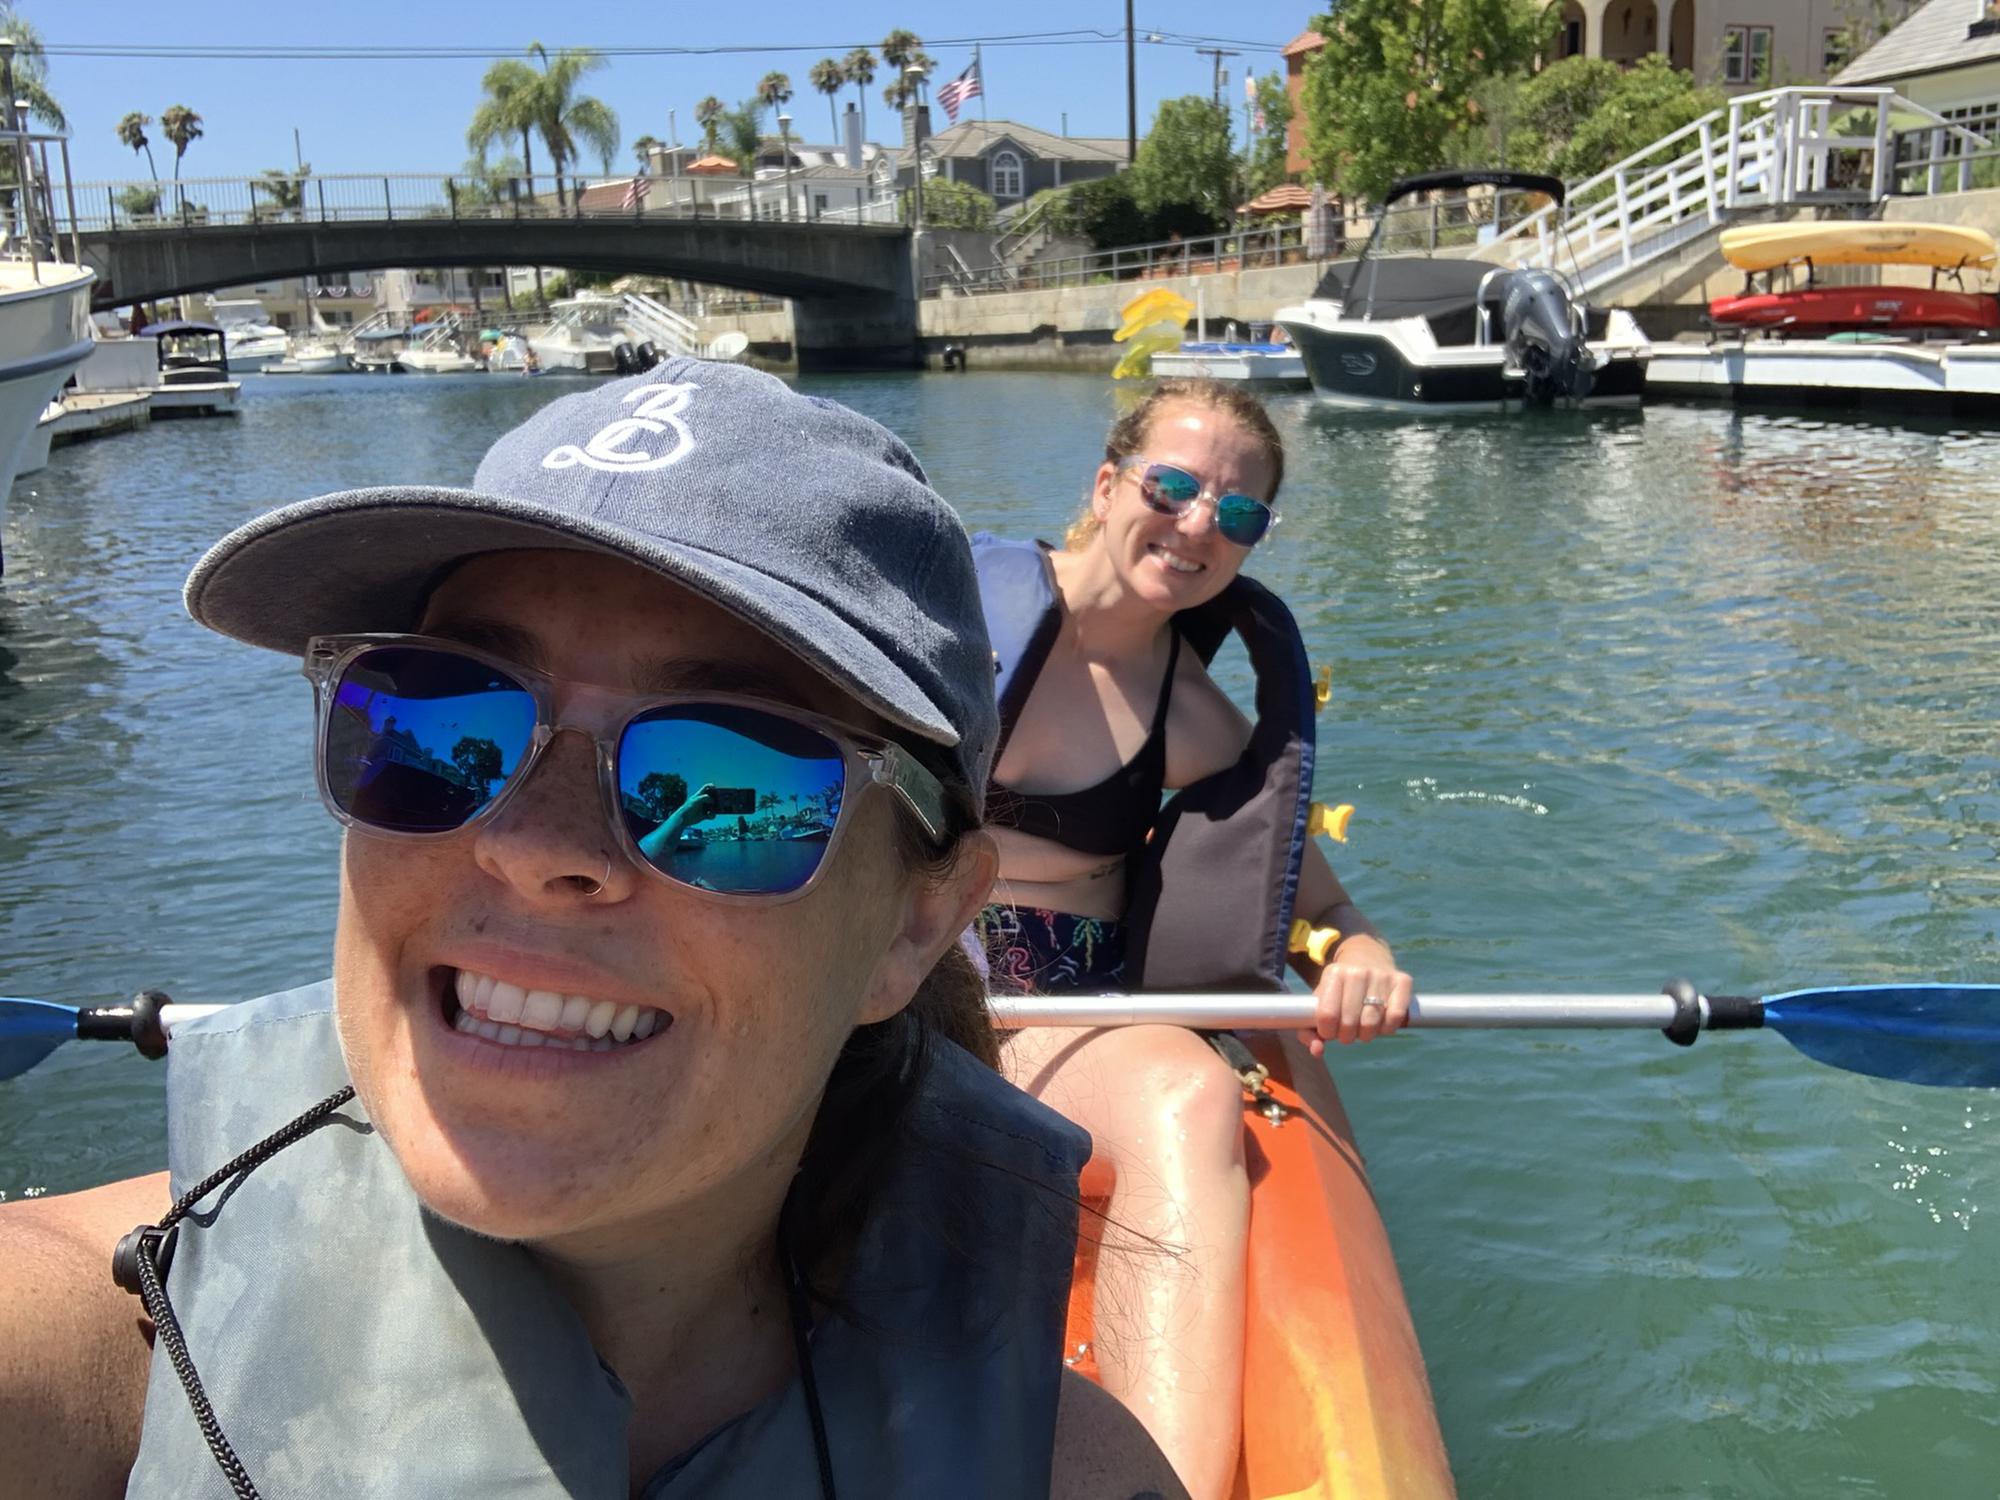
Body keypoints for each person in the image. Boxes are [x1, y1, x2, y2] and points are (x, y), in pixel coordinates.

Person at [0, 366, 1186, 1500]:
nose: (534, 843)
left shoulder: (1071, 1475)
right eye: (439, 722)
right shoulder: (88, 1336)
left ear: (917, 921)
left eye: (721, 776)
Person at [971, 379, 1414, 1500]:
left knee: (1192, 1098)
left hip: (1048, 1015)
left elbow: (1329, 911)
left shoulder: (1191, 717)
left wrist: (1359, 960)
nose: (1197, 522)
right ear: (1106, 485)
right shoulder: (948, 616)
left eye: (1238, 511)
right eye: (1171, 485)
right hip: (882, 980)